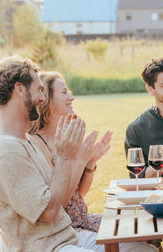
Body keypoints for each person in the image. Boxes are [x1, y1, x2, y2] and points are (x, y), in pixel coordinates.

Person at [0, 56, 101, 251]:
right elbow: (49, 212)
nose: (42, 98)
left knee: (140, 247)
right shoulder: (4, 150)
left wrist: (80, 160)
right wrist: (65, 157)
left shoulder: (25, 141)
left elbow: (60, 197)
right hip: (45, 248)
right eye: (38, 89)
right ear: (20, 89)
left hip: (67, 238)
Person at [27, 71, 112, 233]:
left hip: (83, 219)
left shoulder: (67, 136)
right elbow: (59, 204)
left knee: (138, 228)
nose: (71, 98)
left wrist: (90, 162)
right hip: (68, 229)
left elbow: (79, 193)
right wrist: (80, 161)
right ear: (46, 99)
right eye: (64, 92)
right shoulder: (38, 144)